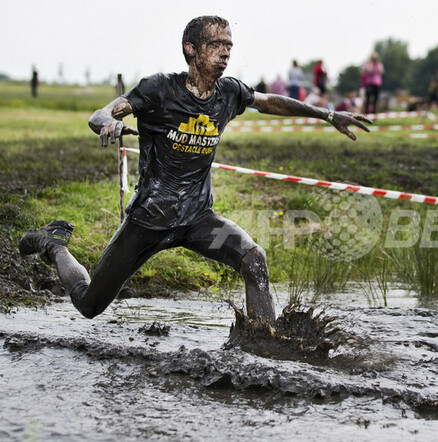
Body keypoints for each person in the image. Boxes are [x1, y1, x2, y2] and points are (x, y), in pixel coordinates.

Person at [17, 16, 372, 322]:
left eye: (229, 45)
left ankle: (265, 346)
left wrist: (327, 114)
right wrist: (107, 122)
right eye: (216, 44)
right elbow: (101, 113)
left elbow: (269, 102)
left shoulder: (229, 93)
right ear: (191, 49)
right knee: (90, 303)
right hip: (148, 222)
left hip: (198, 221)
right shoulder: (159, 89)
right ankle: (53, 245)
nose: (226, 52)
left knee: (254, 260)